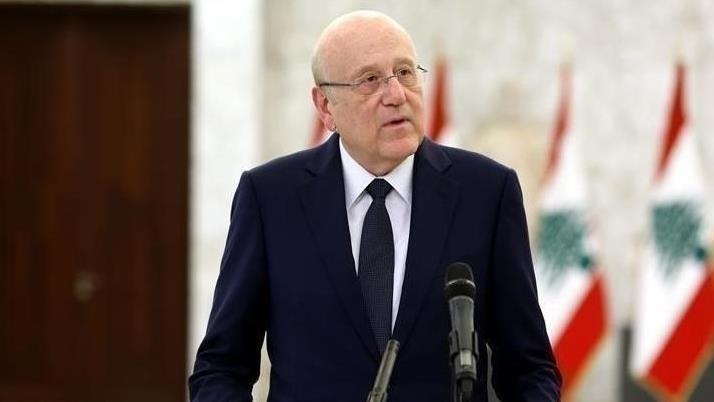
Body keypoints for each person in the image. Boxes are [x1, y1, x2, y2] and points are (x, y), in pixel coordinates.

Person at [189, 10, 561, 402]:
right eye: (370, 80)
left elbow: (529, 369)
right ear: (325, 106)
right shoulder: (270, 198)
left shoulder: (486, 192)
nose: (397, 95)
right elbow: (221, 369)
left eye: (405, 72)